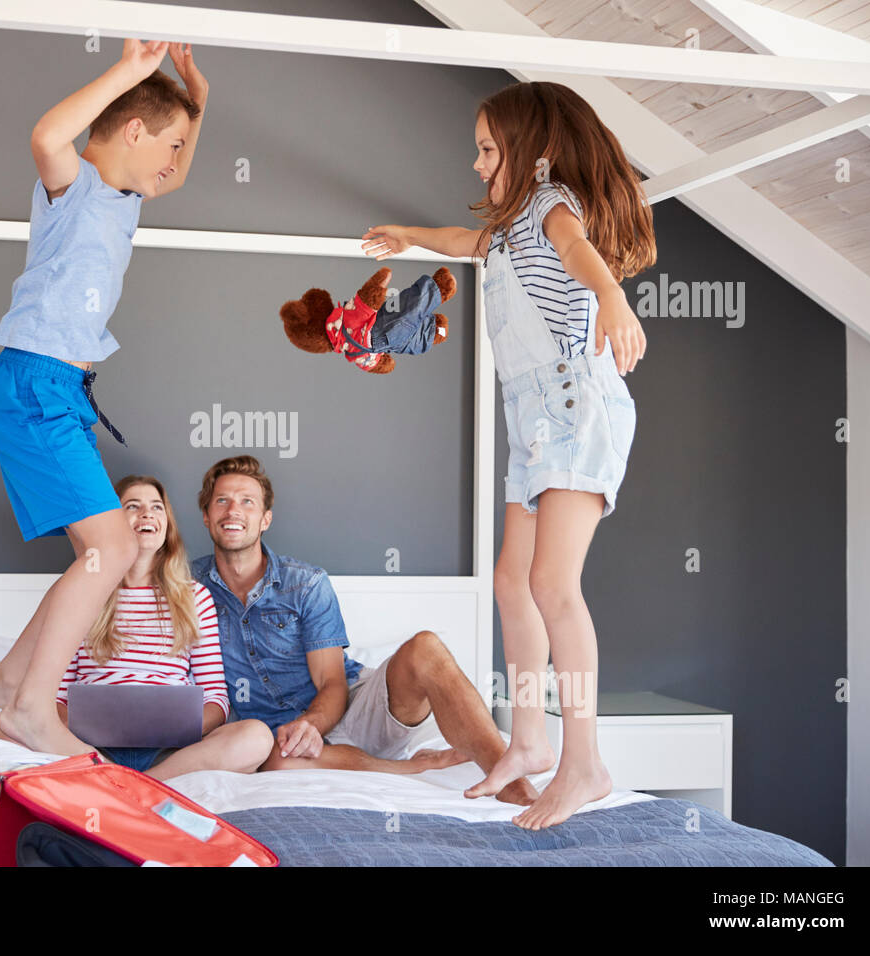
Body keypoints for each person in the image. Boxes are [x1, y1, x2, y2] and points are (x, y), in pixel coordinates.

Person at [361, 80, 656, 828]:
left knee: (555, 585)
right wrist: (410, 235)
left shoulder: (550, 207)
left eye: (488, 149)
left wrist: (615, 300)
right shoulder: (506, 227)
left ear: (535, 153)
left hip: (574, 407)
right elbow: (467, 245)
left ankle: (582, 760)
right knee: (510, 584)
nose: (477, 162)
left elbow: (579, 251)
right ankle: (527, 740)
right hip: (532, 420)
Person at [0, 39, 209, 756]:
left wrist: (197, 102)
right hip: (33, 381)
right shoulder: (72, 187)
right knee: (109, 550)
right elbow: (47, 134)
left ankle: (10, 677)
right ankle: (31, 708)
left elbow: (169, 174)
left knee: (97, 556)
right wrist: (131, 74)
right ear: (133, 130)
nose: (174, 163)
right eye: (167, 144)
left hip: (60, 390)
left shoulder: (129, 199)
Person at [190, 456, 540, 806]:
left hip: (352, 710)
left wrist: (312, 725)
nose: (233, 510)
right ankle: (410, 768)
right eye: (222, 500)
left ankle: (509, 777)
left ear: (265, 519)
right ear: (207, 516)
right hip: (279, 741)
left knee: (426, 647)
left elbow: (332, 681)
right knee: (273, 760)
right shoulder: (184, 588)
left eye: (247, 501)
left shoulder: (305, 584)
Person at [53, 475, 274, 779]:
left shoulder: (194, 597)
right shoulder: (83, 593)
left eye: (157, 507)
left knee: (256, 737)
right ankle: (117, 777)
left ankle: (136, 785)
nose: (147, 513)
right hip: (89, 749)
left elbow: (216, 699)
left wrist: (178, 727)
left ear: (166, 525)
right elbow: (55, 697)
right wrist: (85, 729)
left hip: (169, 754)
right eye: (133, 506)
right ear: (113, 523)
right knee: (6, 730)